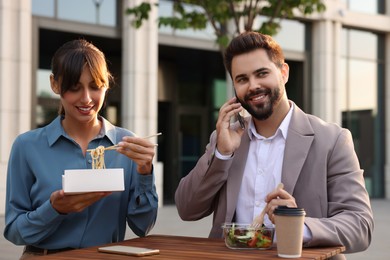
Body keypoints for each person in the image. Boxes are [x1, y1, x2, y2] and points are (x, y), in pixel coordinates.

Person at [175, 31, 373, 258]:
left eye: (262, 73)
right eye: (242, 79)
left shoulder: (332, 140)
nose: (253, 86)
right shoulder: (225, 140)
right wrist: (222, 154)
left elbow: (361, 225)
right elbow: (186, 209)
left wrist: (297, 226)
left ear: (284, 72)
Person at [4, 39, 158, 258]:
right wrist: (55, 209)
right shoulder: (27, 146)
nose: (86, 99)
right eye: (74, 88)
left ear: (106, 84)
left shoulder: (126, 144)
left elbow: (143, 226)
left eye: (95, 86)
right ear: (55, 84)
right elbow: (14, 232)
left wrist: (145, 172)